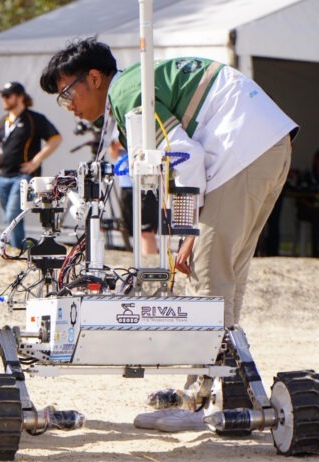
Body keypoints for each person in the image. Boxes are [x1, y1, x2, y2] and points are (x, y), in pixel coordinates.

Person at [40, 37, 297, 431]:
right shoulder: (137, 84)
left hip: (241, 150)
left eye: (67, 93)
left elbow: (184, 156)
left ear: (94, 78)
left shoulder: (128, 92)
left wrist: (186, 231)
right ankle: (228, 393)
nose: (69, 105)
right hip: (269, 144)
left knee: (208, 278)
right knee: (227, 278)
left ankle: (196, 403)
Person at [0, 81, 62, 248]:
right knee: (9, 218)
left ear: (20, 97)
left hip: (23, 177)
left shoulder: (34, 119)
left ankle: (19, 249)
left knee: (12, 215)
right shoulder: (2, 122)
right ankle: (18, 248)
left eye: (7, 96)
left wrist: (36, 161)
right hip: (3, 177)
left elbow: (55, 139)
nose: (4, 99)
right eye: (2, 96)